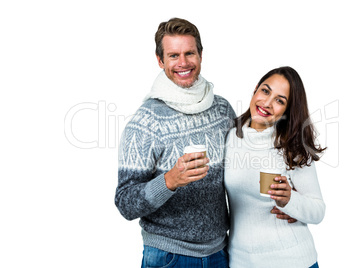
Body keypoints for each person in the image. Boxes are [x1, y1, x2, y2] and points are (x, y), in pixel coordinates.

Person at [114, 18, 236, 267]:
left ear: (200, 55)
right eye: (173, 55)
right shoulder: (145, 121)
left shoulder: (222, 110)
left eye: (189, 53)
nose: (183, 63)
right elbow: (125, 202)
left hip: (220, 253)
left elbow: (243, 167)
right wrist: (169, 181)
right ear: (160, 61)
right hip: (168, 256)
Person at [224, 66, 326, 268]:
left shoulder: (291, 146)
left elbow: (318, 210)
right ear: (255, 90)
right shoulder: (230, 136)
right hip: (240, 261)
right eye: (265, 91)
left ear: (287, 111)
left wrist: (290, 200)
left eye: (280, 101)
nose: (267, 103)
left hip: (291, 260)